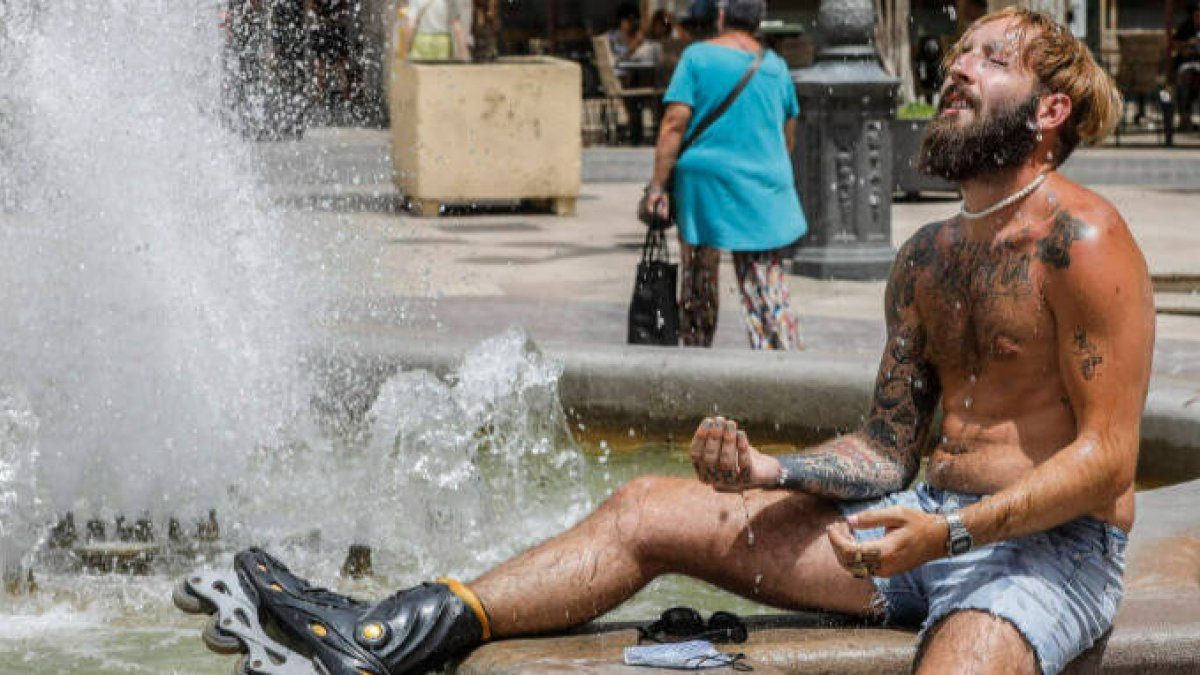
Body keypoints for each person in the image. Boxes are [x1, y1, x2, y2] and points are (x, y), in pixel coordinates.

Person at [187, 8, 1151, 675]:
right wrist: (773, 472)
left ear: (1049, 109)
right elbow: (888, 449)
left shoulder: (1085, 241)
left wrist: (952, 532)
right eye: (960, 51)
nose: (954, 67)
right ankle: (390, 632)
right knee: (652, 507)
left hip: (1043, 554)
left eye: (989, 59)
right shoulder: (929, 255)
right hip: (924, 529)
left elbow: (1109, 461)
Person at [646, 0, 804, 350]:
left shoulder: (697, 58)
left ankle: (696, 351)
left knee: (699, 278)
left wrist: (658, 186)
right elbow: (787, 133)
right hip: (763, 187)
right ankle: (781, 357)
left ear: (721, 17)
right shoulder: (776, 67)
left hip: (705, 186)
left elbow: (674, 123)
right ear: (759, 22)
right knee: (765, 281)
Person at [403, 0, 472, 61]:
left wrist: (406, 50)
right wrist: (463, 52)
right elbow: (457, 28)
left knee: (418, 73)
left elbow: (410, 25)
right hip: (443, 42)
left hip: (421, 40)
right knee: (441, 73)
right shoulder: (450, 1)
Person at [1171, 1, 1200, 131]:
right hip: (1187, 64)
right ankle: (1185, 118)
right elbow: (1175, 44)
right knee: (1184, 83)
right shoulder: (1185, 27)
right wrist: (1188, 44)